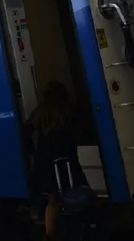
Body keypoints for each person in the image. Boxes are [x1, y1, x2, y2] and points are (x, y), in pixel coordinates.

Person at [26, 81, 88, 241]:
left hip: (45, 162)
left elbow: (26, 131)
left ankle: (50, 234)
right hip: (67, 158)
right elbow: (80, 132)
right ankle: (78, 226)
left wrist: (32, 152)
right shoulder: (69, 111)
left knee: (53, 199)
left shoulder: (40, 112)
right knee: (76, 190)